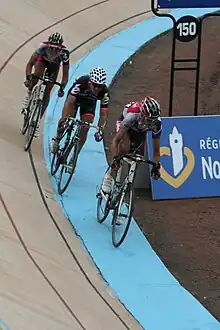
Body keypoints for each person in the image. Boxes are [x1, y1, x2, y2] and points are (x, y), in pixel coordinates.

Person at [101, 96, 162, 194]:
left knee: (138, 158)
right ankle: (110, 175)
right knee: (124, 147)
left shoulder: (157, 124)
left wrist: (155, 167)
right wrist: (116, 157)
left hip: (140, 130)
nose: (152, 123)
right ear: (142, 115)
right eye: (149, 120)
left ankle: (126, 186)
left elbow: (156, 151)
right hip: (126, 125)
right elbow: (116, 140)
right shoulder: (132, 115)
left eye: (154, 120)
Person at [51, 67, 109, 167]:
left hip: (89, 104)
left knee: (85, 127)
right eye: (95, 85)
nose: (96, 89)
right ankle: (57, 138)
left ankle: (74, 155)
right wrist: (65, 118)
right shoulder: (81, 82)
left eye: (99, 86)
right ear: (90, 82)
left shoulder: (104, 92)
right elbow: (69, 102)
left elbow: (103, 114)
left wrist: (99, 130)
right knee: (65, 119)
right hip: (75, 99)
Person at [22, 32, 70, 136]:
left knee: (48, 89)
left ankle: (36, 121)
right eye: (51, 47)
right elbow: (30, 64)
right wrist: (28, 77)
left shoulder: (65, 53)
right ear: (48, 44)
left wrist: (62, 88)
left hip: (54, 66)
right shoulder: (42, 47)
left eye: (56, 48)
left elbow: (65, 74)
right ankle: (29, 93)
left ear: (60, 47)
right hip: (42, 61)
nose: (53, 50)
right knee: (37, 75)